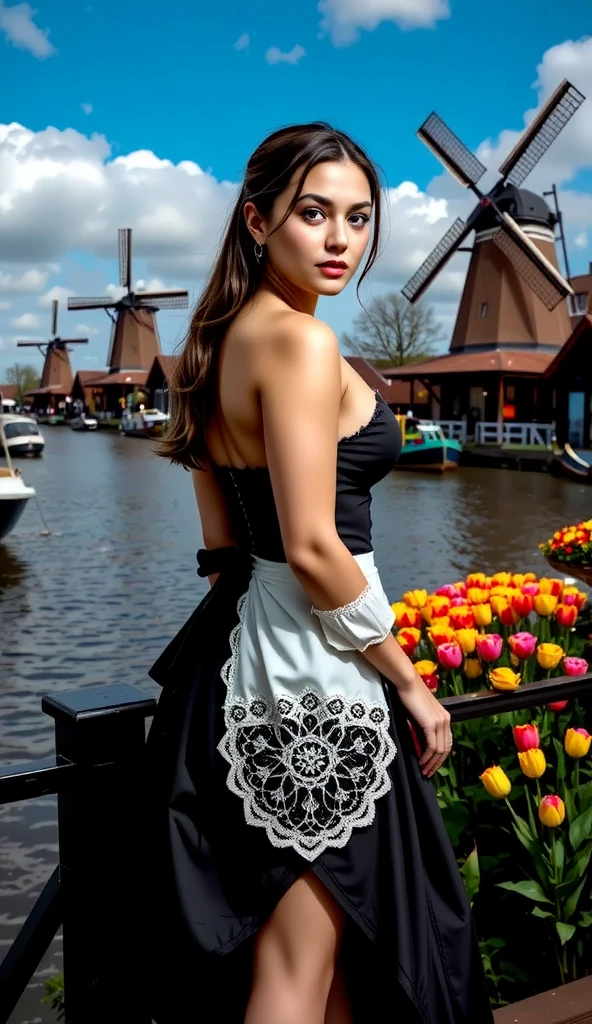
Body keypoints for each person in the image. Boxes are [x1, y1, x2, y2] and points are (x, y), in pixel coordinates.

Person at [146, 122, 494, 1023]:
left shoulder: (208, 349)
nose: (341, 239)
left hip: (238, 669)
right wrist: (412, 685)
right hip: (316, 674)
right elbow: (309, 546)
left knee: (334, 961)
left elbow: (226, 547)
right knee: (299, 975)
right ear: (258, 223)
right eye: (314, 213)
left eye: (359, 218)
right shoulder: (300, 345)